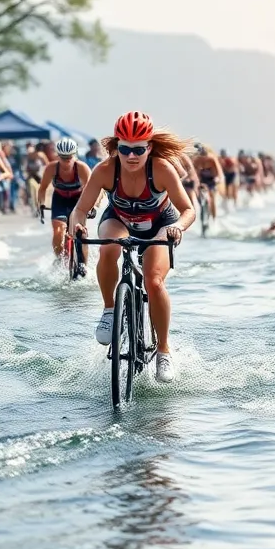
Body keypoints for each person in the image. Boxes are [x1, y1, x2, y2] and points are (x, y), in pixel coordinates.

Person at [68, 111, 195, 384]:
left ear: (149, 147)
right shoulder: (105, 170)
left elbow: (188, 210)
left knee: (154, 281)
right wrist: (77, 226)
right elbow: (79, 210)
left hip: (160, 224)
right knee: (109, 248)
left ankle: (163, 351)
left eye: (139, 149)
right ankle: (109, 310)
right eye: (125, 149)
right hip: (119, 220)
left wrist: (177, 227)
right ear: (117, 147)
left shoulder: (161, 169)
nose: (132, 156)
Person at [36, 137, 90, 261]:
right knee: (58, 230)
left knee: (81, 233)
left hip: (78, 200)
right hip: (59, 199)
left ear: (75, 155)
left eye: (69, 158)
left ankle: (83, 265)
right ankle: (60, 260)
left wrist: (91, 207)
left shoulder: (82, 168)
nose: (66, 162)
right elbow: (42, 189)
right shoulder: (51, 168)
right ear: (58, 156)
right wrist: (41, 205)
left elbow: (92, 190)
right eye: (63, 158)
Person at [191, 142, 224, 221]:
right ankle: (203, 212)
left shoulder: (211, 158)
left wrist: (217, 179)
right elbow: (194, 173)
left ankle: (214, 219)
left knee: (212, 198)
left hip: (212, 180)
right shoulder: (196, 160)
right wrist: (195, 181)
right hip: (202, 180)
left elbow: (218, 171)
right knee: (199, 196)